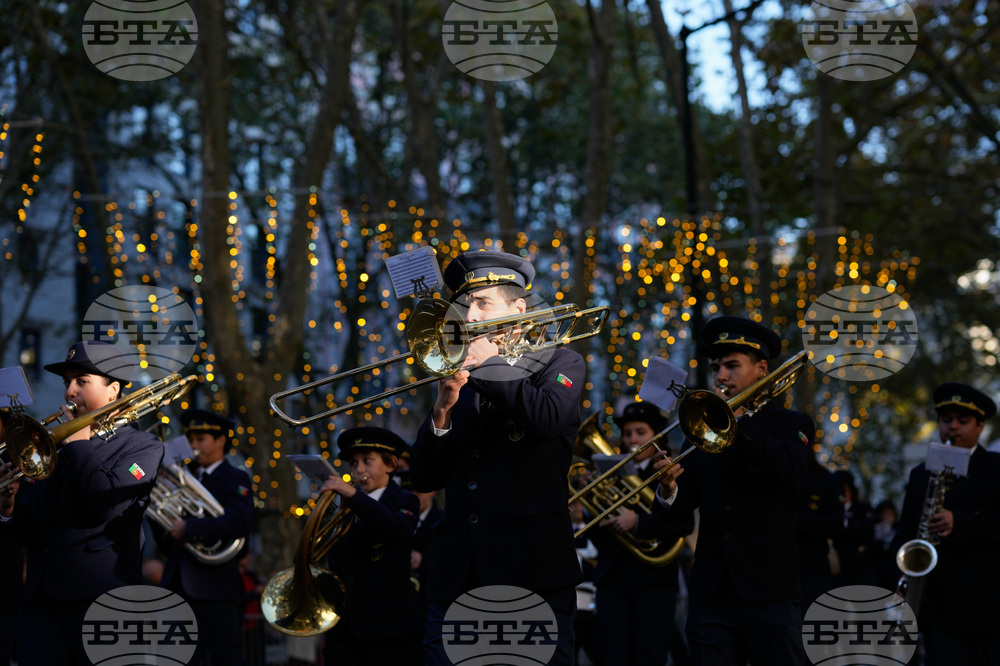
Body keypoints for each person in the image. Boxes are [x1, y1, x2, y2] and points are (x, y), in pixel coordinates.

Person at [410, 250, 585, 665]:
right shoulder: (461, 376)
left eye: (482, 304)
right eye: (464, 306)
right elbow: (424, 478)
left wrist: (489, 364)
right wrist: (442, 411)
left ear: (519, 311)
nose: (469, 317)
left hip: (531, 571)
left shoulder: (561, 360)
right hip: (458, 577)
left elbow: (547, 418)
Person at [652, 316, 813, 665]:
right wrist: (668, 488)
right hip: (711, 593)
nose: (721, 376)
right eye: (716, 368)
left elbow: (786, 470)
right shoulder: (701, 429)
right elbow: (678, 516)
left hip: (769, 590)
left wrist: (738, 419)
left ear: (761, 369)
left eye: (732, 366)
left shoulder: (792, 424)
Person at [0, 341, 163, 665]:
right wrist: (7, 507)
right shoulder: (57, 448)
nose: (69, 391)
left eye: (82, 381)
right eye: (67, 382)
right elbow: (30, 532)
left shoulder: (143, 447)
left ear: (113, 390)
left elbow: (104, 503)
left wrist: (79, 444)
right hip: (41, 607)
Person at [891, 382, 1000, 665]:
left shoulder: (995, 467)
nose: (952, 427)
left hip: (988, 603)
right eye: (946, 420)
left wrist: (959, 521)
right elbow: (906, 530)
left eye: (963, 421)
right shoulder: (921, 473)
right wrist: (900, 577)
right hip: (939, 603)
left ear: (980, 425)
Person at [589, 402, 692, 666]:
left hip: (653, 584)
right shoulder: (609, 472)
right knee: (613, 658)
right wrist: (590, 504)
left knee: (649, 655)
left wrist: (637, 521)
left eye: (640, 432)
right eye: (627, 433)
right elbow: (597, 537)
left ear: (657, 436)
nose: (632, 440)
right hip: (612, 581)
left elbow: (684, 525)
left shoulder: (670, 471)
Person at [155, 408, 254, 666]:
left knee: (227, 660)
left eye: (201, 439)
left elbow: (240, 522)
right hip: (177, 586)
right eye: (191, 440)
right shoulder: (181, 477)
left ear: (221, 440)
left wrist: (189, 528)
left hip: (216, 590)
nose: (194, 446)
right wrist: (156, 512)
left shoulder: (235, 478)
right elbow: (165, 542)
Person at [319, 426, 424, 665]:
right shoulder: (345, 507)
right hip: (344, 629)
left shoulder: (405, 500)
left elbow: (397, 528)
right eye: (354, 463)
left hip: (389, 629)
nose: (359, 469)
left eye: (367, 461)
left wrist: (354, 496)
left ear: (391, 465)